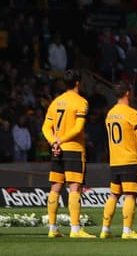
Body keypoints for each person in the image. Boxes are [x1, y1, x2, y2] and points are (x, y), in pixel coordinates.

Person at [42, 70, 90, 239]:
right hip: (73, 149)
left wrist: (53, 142)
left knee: (55, 187)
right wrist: (61, 140)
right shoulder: (81, 102)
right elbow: (78, 128)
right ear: (77, 83)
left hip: (57, 150)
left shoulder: (55, 102)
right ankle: (75, 229)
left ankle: (52, 228)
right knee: (75, 187)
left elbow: (45, 127)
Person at [100, 81, 137, 240]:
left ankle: (105, 229)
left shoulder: (110, 114)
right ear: (127, 93)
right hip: (129, 159)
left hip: (115, 160)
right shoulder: (132, 113)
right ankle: (127, 230)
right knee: (130, 195)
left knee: (114, 194)